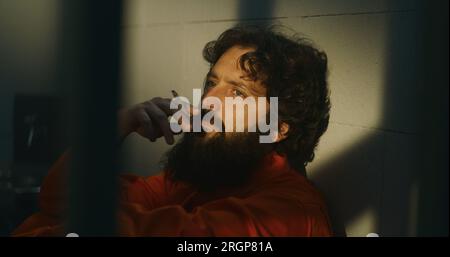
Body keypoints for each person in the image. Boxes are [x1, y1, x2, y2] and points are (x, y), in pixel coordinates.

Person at [13, 25, 332, 236]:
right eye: (212, 82)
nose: (209, 100)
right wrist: (120, 123)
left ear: (277, 128)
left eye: (238, 93)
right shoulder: (207, 174)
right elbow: (58, 198)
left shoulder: (291, 212)